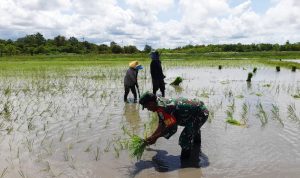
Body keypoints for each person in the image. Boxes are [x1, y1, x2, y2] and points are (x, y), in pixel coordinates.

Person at [139, 92, 209, 160]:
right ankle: (197, 148)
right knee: (192, 128)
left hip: (200, 113)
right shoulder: (158, 103)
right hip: (194, 112)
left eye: (146, 107)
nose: (148, 109)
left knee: (184, 139)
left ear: (151, 103)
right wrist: (152, 136)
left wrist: (156, 137)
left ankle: (185, 163)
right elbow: (162, 123)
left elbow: (172, 128)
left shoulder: (164, 108)